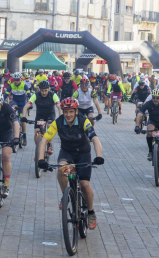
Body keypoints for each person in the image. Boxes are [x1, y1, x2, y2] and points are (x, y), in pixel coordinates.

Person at [37, 97, 104, 229]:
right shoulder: (58, 122)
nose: (68, 115)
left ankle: (90, 212)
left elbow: (95, 139)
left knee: (84, 184)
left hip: (83, 154)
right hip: (67, 153)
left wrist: (99, 156)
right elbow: (44, 140)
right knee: (62, 170)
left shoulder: (84, 121)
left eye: (71, 112)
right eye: (66, 111)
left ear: (76, 111)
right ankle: (65, 195)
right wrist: (40, 159)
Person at [21, 80, 62, 154]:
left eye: (45, 91)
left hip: (50, 114)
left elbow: (59, 107)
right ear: (39, 89)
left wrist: (61, 117)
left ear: (49, 89)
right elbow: (26, 106)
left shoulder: (53, 95)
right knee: (36, 131)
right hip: (40, 115)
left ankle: (50, 144)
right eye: (42, 91)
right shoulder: (36, 95)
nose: (44, 93)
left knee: (49, 125)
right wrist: (24, 117)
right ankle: (37, 150)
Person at [4, 72, 31, 145]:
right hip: (15, 101)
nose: (16, 81)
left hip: (22, 103)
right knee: (13, 109)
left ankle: (24, 136)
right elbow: (6, 94)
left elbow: (29, 95)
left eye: (18, 79)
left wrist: (30, 104)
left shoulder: (24, 85)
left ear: (20, 79)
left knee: (22, 118)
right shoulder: (11, 85)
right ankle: (14, 123)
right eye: (15, 80)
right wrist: (2, 102)